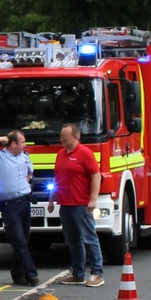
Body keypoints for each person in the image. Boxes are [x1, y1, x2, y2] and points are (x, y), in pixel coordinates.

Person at [47, 122, 105, 288]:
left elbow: (96, 175)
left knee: (89, 237)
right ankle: (78, 273)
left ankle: (97, 273)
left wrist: (93, 199)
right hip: (65, 204)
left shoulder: (85, 153)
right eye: (61, 138)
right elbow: (57, 178)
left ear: (76, 137)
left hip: (81, 203)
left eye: (65, 138)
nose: (62, 140)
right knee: (73, 240)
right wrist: (52, 199)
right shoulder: (61, 154)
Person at [0, 130, 37, 285]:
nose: (25, 145)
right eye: (22, 142)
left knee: (23, 241)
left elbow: (29, 174)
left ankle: (17, 273)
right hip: (10, 205)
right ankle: (31, 273)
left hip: (25, 203)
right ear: (13, 144)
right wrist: (2, 138)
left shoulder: (24, 156)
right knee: (19, 241)